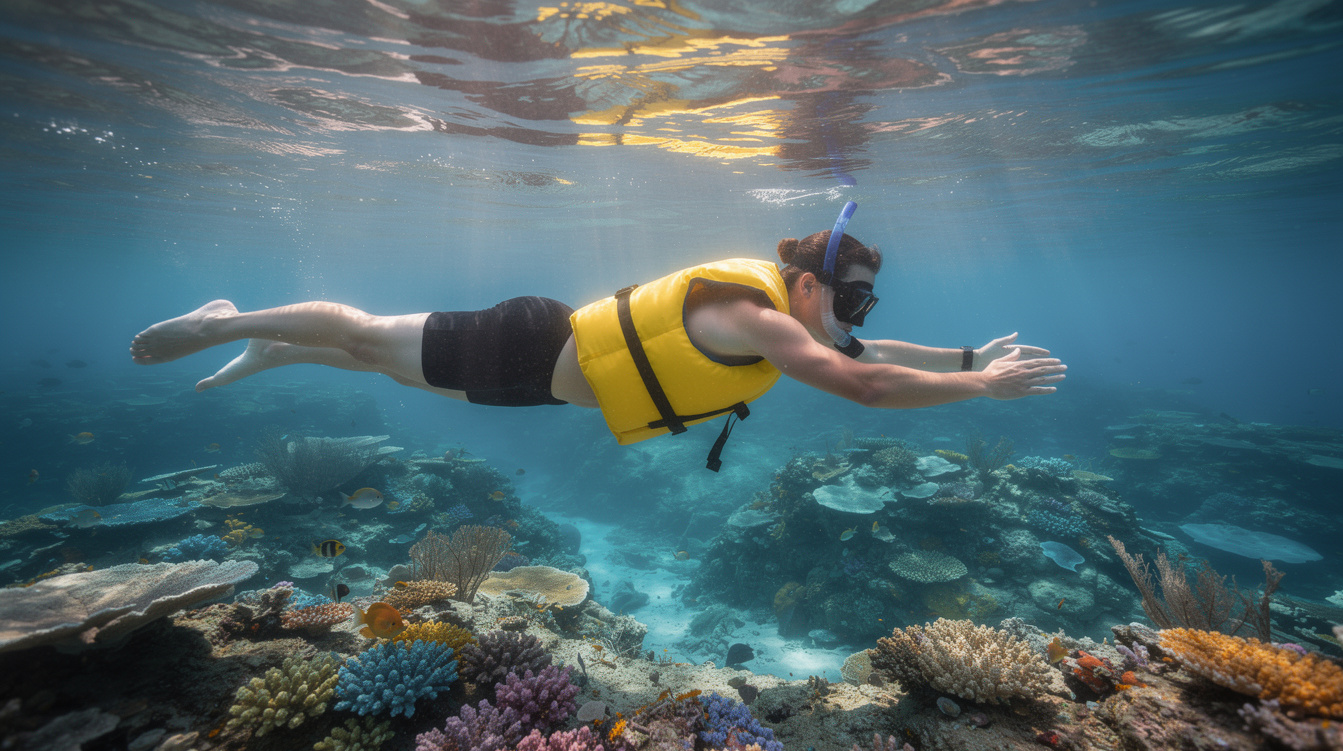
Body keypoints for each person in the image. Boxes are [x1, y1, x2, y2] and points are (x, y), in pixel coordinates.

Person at [131, 203, 1064, 468]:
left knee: (397, 377)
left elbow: (875, 358)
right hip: (535, 344)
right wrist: (982, 395)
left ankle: (275, 349)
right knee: (371, 337)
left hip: (546, 382)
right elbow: (858, 384)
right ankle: (228, 321)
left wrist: (970, 358)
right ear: (812, 283)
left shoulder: (793, 317)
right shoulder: (758, 316)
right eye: (850, 305)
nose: (857, 325)